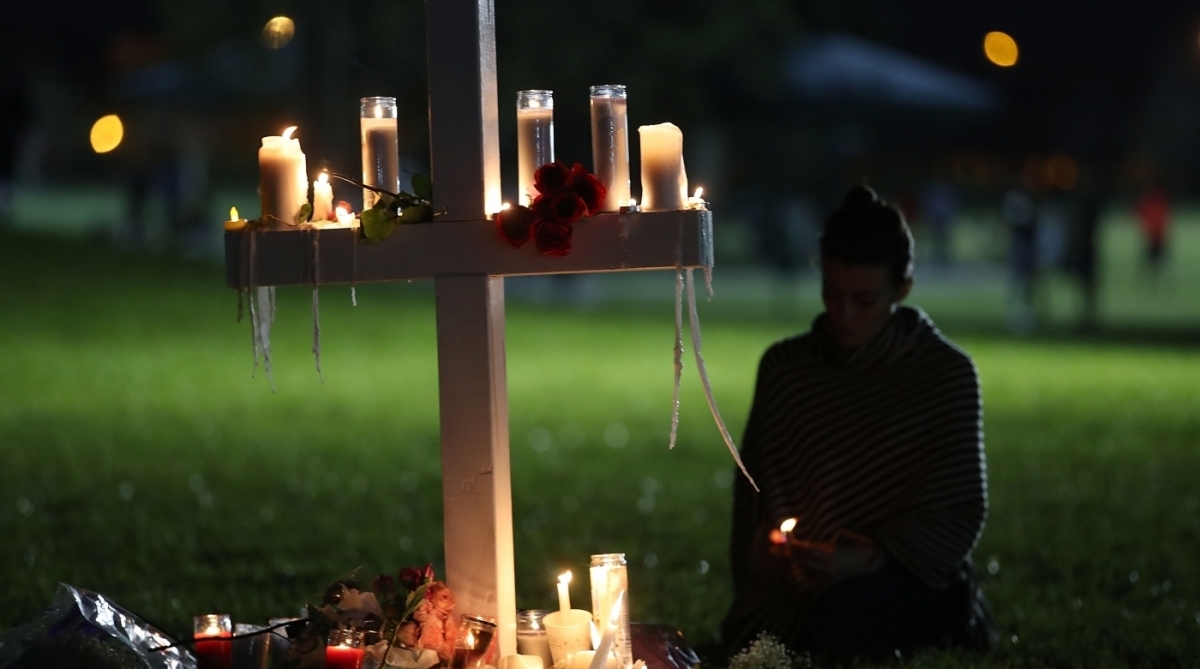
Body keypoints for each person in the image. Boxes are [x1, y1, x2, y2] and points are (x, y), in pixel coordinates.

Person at [721, 185, 993, 662]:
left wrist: (873, 555)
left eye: (864, 301)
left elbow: (959, 507)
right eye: (832, 294)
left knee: (838, 623)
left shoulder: (944, 373)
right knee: (762, 635)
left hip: (904, 576)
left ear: (901, 289)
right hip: (794, 584)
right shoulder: (787, 369)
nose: (844, 314)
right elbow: (754, 495)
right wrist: (765, 554)